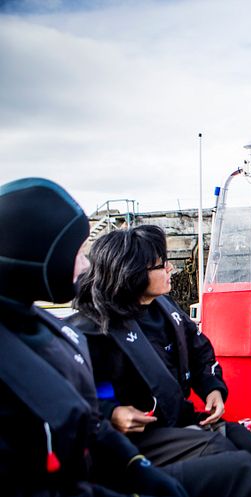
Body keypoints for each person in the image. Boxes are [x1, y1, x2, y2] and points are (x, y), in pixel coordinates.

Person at [68, 225, 251, 497]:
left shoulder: (165, 308)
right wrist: (111, 413)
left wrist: (212, 387)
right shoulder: (93, 330)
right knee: (234, 461)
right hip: (137, 439)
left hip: (177, 420)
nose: (171, 269)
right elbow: (71, 394)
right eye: (162, 265)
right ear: (134, 274)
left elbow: (199, 351)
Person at [0, 178, 187, 497]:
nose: (87, 264)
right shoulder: (66, 332)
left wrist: (136, 466)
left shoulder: (43, 326)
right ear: (35, 255)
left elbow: (88, 417)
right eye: (78, 252)